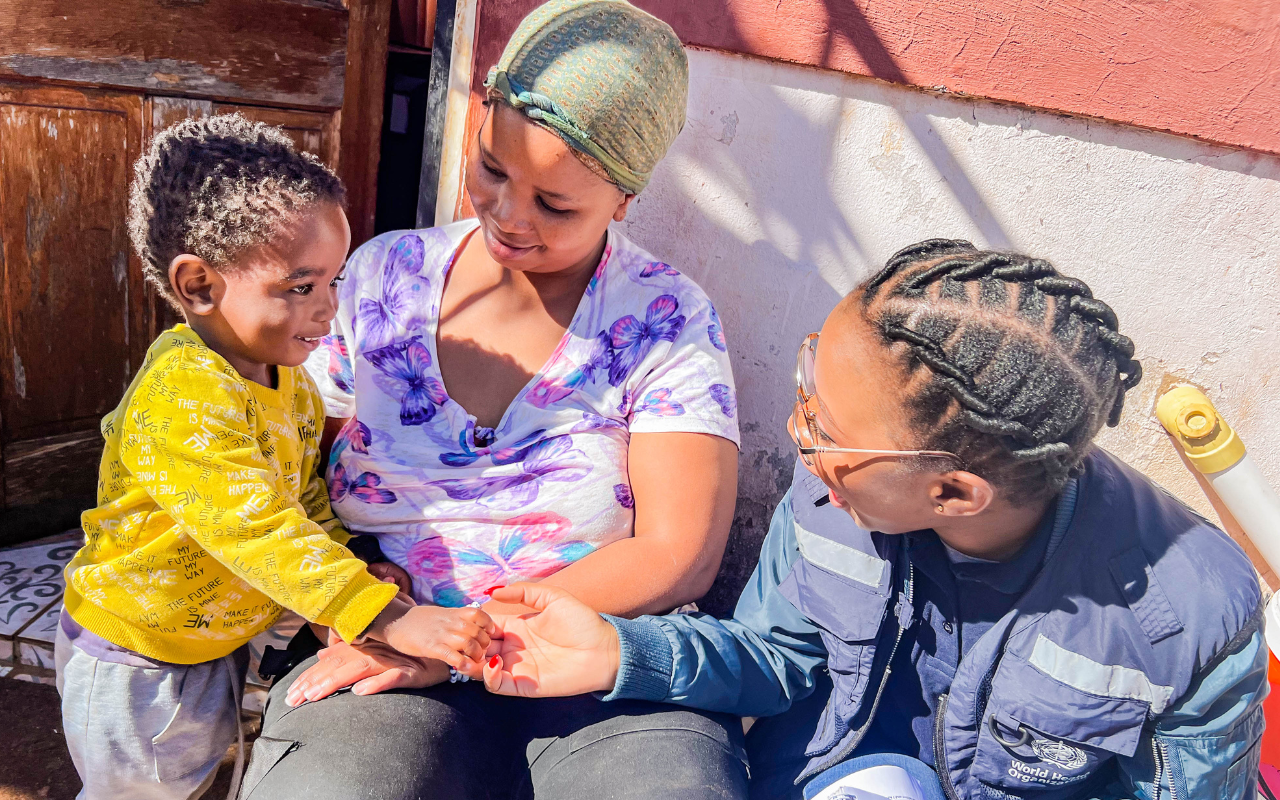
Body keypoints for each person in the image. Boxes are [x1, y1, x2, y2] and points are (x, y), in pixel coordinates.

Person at [481, 240, 1268, 800]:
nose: (799, 434)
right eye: (807, 386)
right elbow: (776, 658)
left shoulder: (1188, 622)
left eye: (828, 429)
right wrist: (620, 650)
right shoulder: (838, 486)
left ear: (955, 493)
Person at [242, 2, 747, 798]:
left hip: (595, 664)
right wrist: (345, 597)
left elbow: (679, 554)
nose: (510, 217)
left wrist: (453, 641)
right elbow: (285, 470)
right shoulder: (382, 279)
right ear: (477, 123)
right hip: (383, 648)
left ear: (624, 199)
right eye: (493, 168)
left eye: (556, 206)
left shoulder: (666, 318)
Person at [55, 114, 493, 800]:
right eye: (300, 286)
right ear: (199, 285)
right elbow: (256, 528)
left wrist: (349, 556)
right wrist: (389, 615)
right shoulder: (183, 394)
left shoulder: (288, 383)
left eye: (334, 282)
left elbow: (301, 498)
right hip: (140, 660)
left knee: (196, 781)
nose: (329, 310)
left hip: (214, 642)